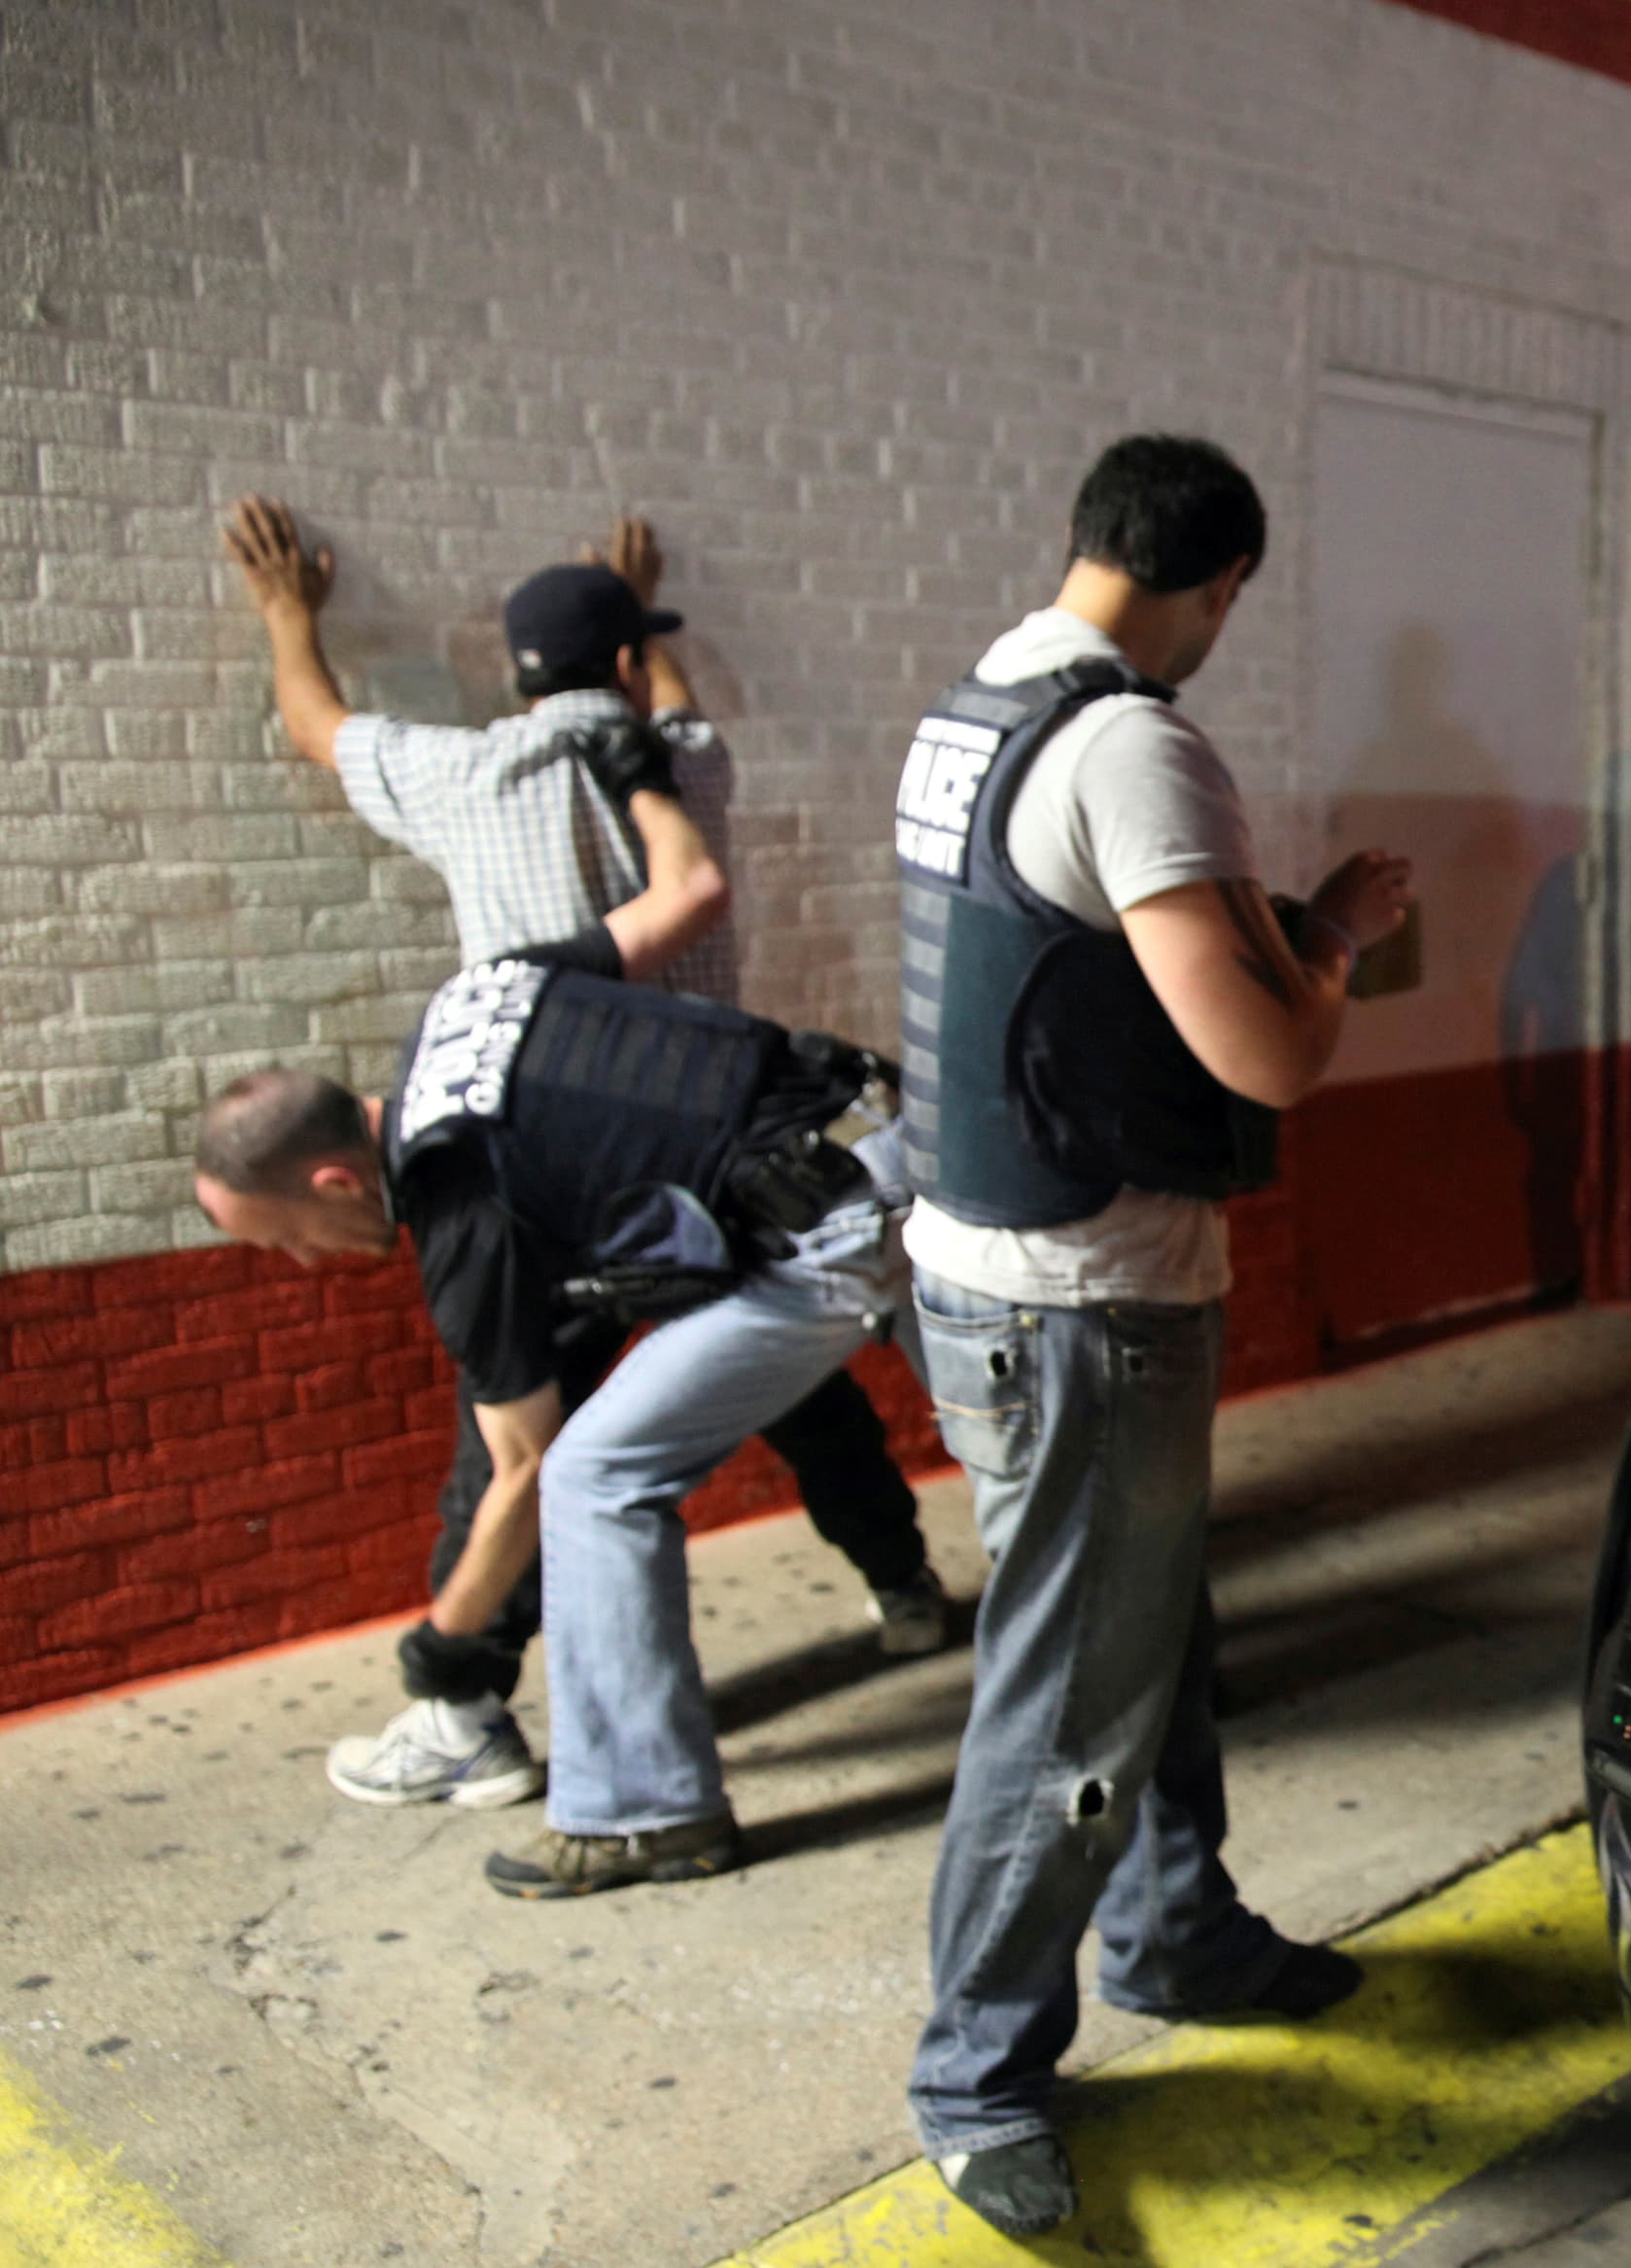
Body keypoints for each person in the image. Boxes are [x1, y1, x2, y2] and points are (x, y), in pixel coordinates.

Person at [220, 498, 945, 1810]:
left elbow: (318, 727)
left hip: (542, 1180)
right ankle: (903, 1585)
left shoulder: (458, 777)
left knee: (512, 1449)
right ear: (622, 665)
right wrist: (635, 623)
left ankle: (465, 1710)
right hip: (715, 1157)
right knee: (802, 1391)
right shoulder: (684, 770)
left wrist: (289, 616)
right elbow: (674, 719)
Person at [893, 435, 1412, 2237]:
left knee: (1145, 1636)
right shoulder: (1132, 745)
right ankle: (976, 2076)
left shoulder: (973, 709)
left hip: (989, 1272)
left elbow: (1077, 970)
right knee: (1069, 1708)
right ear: (1217, 584)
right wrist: (1331, 953)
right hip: (1087, 1304)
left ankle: (1178, 1931)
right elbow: (1267, 1054)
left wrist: (1296, 922)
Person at [191, 918, 913, 1897]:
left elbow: (522, 1471)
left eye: (290, 1235)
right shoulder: (470, 997)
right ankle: (1057, 1656)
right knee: (1014, 1445)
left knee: (591, 1475)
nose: (304, 1261)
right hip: (898, 1132)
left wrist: (444, 1648)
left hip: (834, 1230)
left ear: (333, 1179)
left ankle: (645, 1814)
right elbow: (673, 901)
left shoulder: (459, 1206)